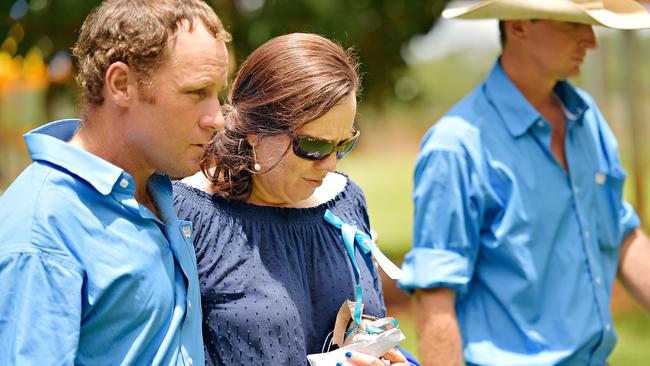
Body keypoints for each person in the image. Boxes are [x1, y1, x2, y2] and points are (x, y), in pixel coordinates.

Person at [398, 1, 650, 365]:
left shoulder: (586, 117)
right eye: (573, 25)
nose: (591, 40)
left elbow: (620, 232)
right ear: (518, 26)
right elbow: (435, 294)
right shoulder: (456, 146)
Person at [0, 0, 230, 364]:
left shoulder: (158, 188)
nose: (217, 118)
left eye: (218, 92)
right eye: (196, 93)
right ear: (122, 85)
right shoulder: (43, 227)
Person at [173, 33, 416, 366]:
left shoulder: (346, 201)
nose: (330, 164)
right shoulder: (188, 216)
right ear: (254, 130)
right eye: (314, 146)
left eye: (343, 145)